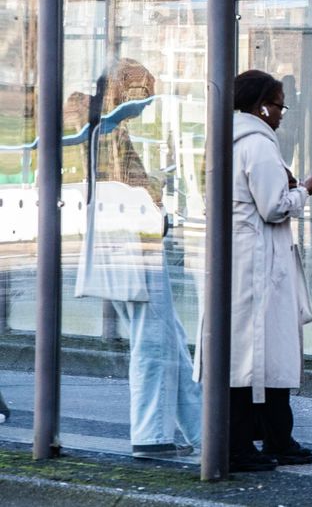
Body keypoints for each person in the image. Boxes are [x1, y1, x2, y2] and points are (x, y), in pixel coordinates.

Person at [74, 59, 202, 459]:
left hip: (123, 245)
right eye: (141, 97)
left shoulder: (96, 127)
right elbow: (127, 189)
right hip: (135, 247)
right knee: (155, 343)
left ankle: (200, 430)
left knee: (170, 340)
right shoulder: (109, 132)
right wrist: (157, 185)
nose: (145, 105)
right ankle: (152, 434)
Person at [210, 69, 312, 473]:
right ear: (260, 105)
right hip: (260, 262)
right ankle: (245, 443)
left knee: (254, 351)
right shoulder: (257, 143)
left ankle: (273, 435)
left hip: (241, 259)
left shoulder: (229, 138)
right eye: (278, 104)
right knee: (256, 352)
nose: (281, 113)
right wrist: (305, 190)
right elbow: (273, 206)